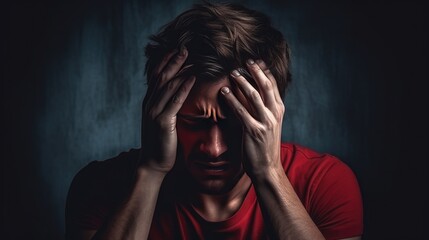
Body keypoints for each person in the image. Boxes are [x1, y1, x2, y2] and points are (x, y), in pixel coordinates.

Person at [66, 2, 363, 240]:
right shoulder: (100, 187)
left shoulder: (324, 184)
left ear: (273, 112)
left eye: (236, 124)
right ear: (156, 110)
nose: (214, 149)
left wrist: (268, 172)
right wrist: (151, 169)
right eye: (194, 123)